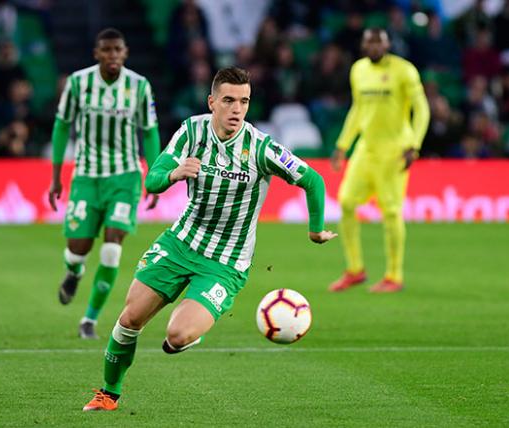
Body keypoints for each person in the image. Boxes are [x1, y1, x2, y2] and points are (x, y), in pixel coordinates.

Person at [82, 66, 337, 411]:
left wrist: (315, 229)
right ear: (212, 101)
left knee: (176, 336)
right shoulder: (192, 131)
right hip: (180, 243)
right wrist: (174, 173)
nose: (237, 109)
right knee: (129, 319)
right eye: (229, 100)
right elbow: (153, 179)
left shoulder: (261, 147)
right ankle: (108, 395)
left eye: (244, 102)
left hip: (225, 263)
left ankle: (187, 333)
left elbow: (313, 180)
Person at [48, 28, 161, 339]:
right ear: (97, 54)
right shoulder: (78, 83)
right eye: (107, 50)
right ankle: (74, 272)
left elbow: (149, 131)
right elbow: (62, 125)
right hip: (86, 176)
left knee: (112, 250)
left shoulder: (139, 86)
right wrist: (56, 176)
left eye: (118, 50)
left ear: (125, 53)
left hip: (125, 177)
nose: (113, 55)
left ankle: (89, 320)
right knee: (77, 250)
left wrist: (154, 175)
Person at [329, 28, 429, 293]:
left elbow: (422, 109)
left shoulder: (404, 70)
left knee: (392, 211)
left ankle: (394, 276)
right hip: (366, 150)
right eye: (369, 43)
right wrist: (342, 145)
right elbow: (357, 109)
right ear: (363, 45)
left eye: (379, 43)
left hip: (395, 150)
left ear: (387, 44)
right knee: (347, 203)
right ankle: (355, 270)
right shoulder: (358, 70)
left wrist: (414, 144)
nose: (374, 47)